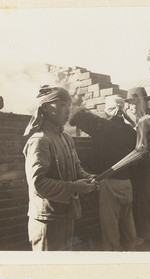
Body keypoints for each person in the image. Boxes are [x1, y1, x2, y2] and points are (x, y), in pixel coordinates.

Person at [23, 85, 98, 251]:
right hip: (46, 220)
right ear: (46, 108)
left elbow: (76, 168)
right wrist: (74, 187)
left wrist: (88, 178)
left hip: (66, 215)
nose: (68, 110)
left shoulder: (66, 138)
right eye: (63, 104)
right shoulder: (40, 140)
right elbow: (38, 184)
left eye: (69, 105)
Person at [69, 95, 139, 251]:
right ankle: (132, 251)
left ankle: (112, 254)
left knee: (110, 226)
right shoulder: (131, 131)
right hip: (127, 183)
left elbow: (74, 116)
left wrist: (82, 107)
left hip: (110, 183)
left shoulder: (103, 126)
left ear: (108, 110)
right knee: (128, 222)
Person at [124, 87, 150, 251]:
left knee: (144, 206)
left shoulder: (143, 122)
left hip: (145, 174)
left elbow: (140, 150)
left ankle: (145, 246)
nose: (132, 108)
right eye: (130, 105)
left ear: (143, 102)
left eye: (134, 103)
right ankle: (149, 242)